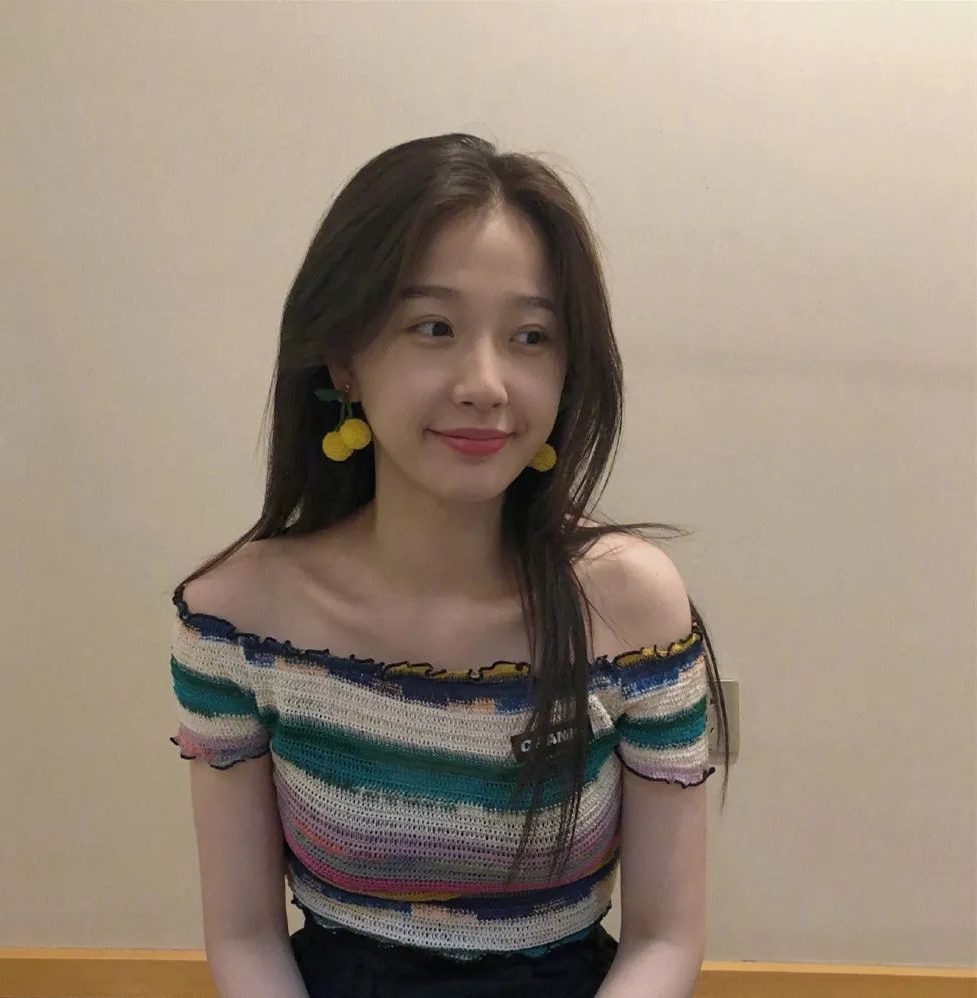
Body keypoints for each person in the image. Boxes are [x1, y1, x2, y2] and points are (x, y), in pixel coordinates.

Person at [167, 133, 731, 998]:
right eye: (434, 328)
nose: (486, 384)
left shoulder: (632, 607)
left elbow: (663, 938)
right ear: (345, 359)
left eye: (531, 336)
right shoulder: (237, 621)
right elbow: (244, 936)